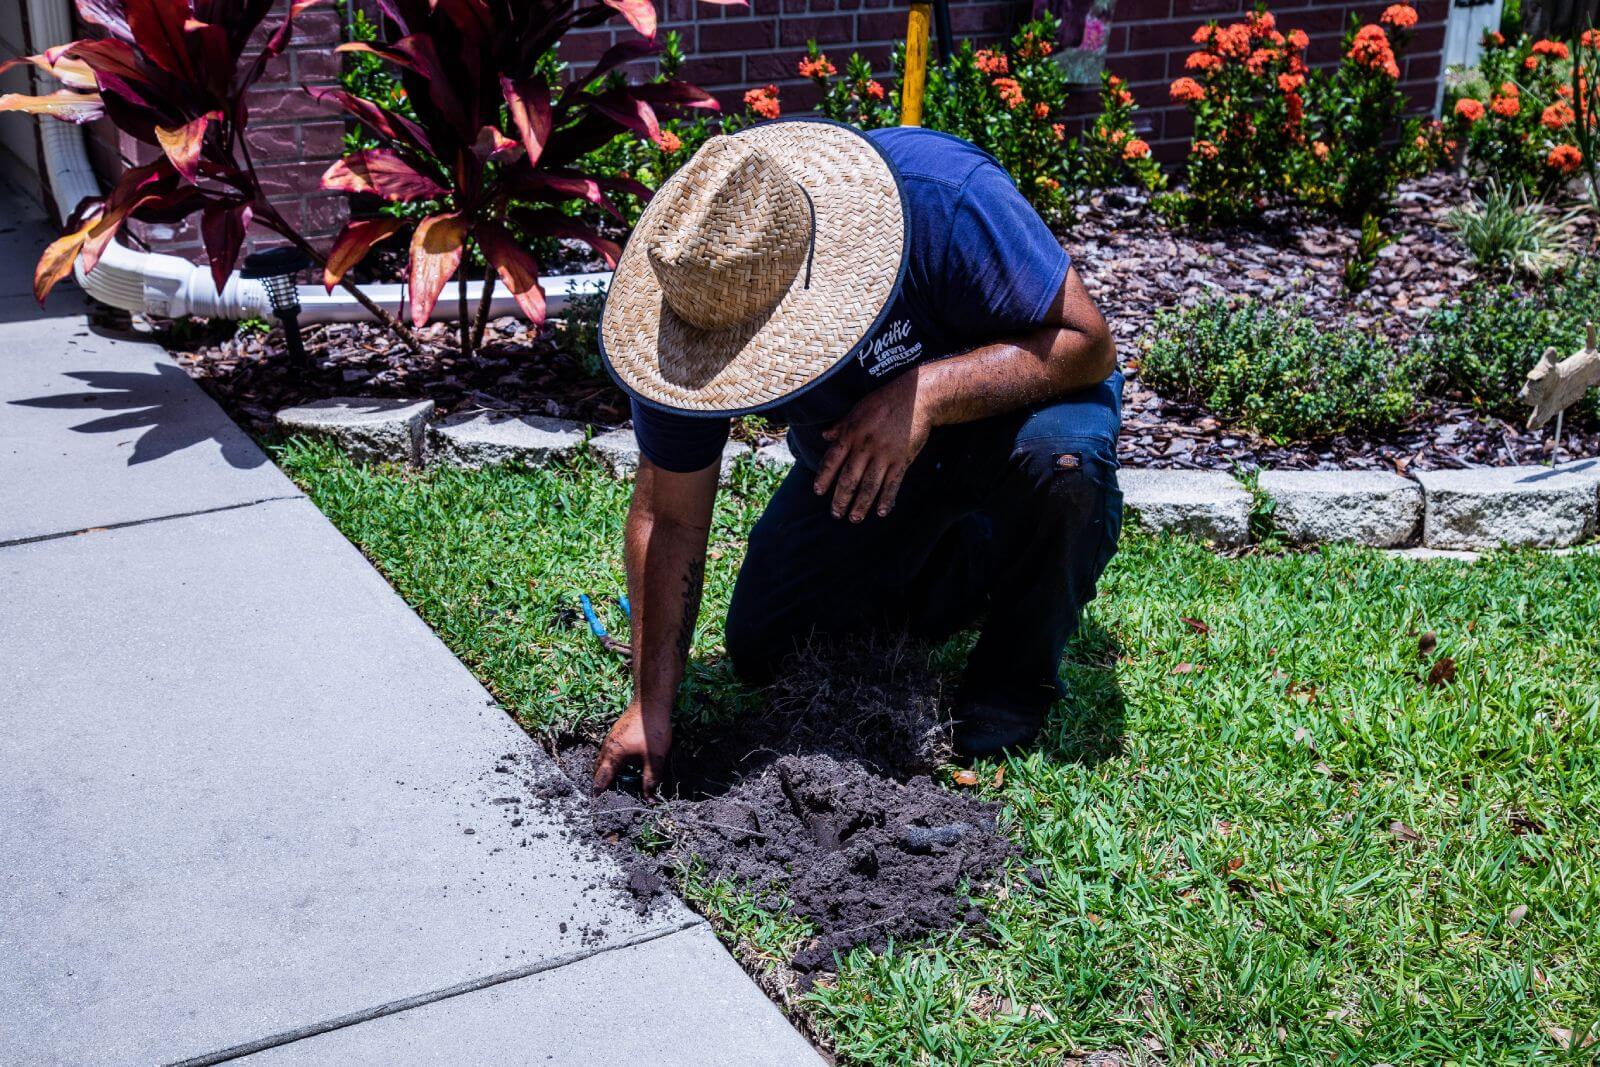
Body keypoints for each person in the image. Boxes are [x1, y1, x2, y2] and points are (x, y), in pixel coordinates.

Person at [592, 118, 1122, 794]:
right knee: (766, 646)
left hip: (1022, 413)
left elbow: (1087, 344)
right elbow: (670, 516)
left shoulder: (944, 198)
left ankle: (1011, 683)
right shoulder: (696, 296)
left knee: (1063, 466)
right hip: (861, 462)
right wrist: (651, 703)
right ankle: (968, 560)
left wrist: (925, 393)